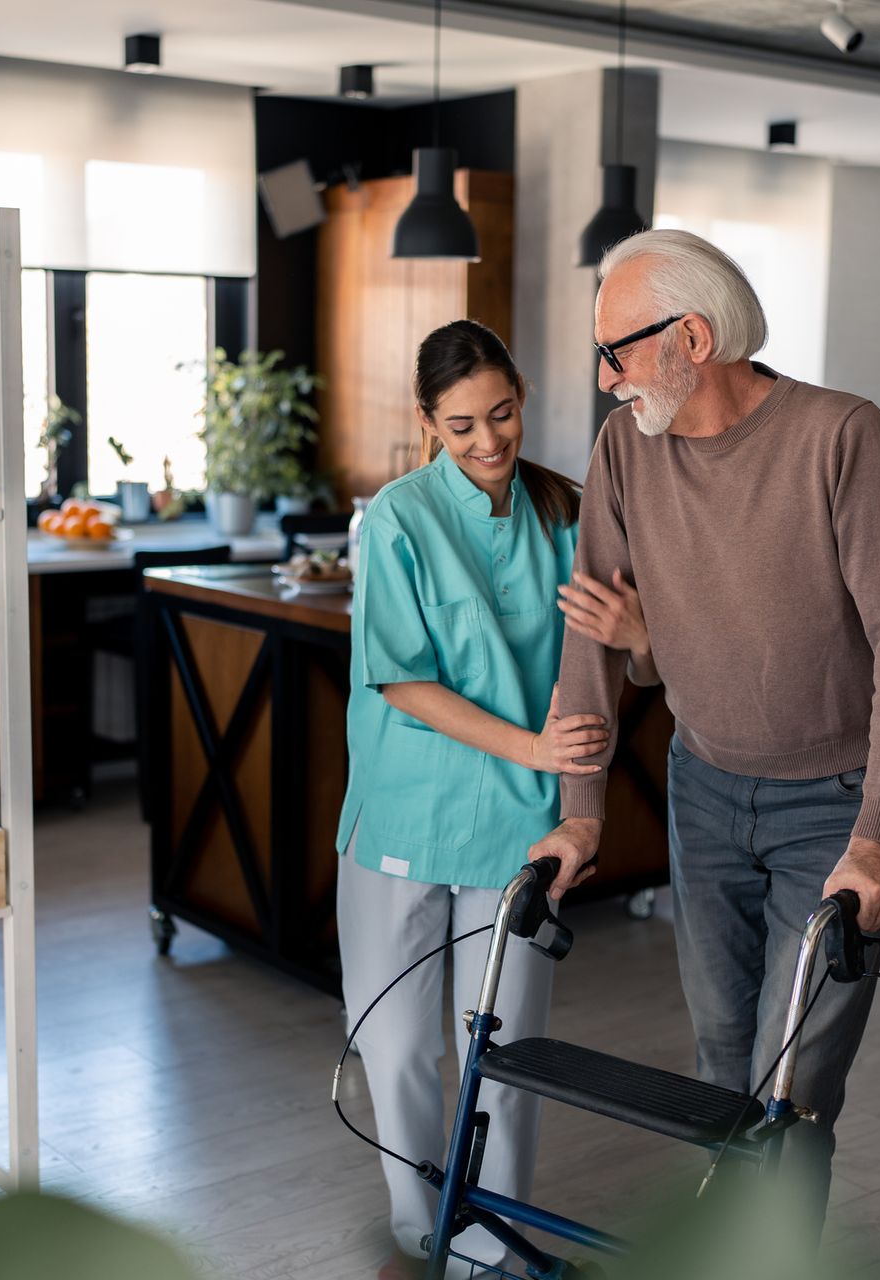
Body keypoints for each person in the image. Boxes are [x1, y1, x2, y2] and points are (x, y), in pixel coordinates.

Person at [537, 229, 880, 1233]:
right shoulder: (626, 450)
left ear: (693, 334)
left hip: (832, 807)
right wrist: (579, 817)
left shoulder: (841, 437)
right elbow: (593, 640)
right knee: (721, 1059)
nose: (603, 380)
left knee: (793, 1087)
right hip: (704, 788)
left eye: (618, 351)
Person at [336, 320, 628, 1279]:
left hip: (521, 828)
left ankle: (491, 1238)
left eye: (500, 415)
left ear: (524, 397)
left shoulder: (569, 515)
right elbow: (402, 679)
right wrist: (534, 745)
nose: (488, 442)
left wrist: (636, 632)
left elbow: (621, 653)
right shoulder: (396, 519)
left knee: (508, 1051)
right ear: (427, 422)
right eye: (461, 426)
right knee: (401, 1044)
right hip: (406, 820)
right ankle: (425, 1227)